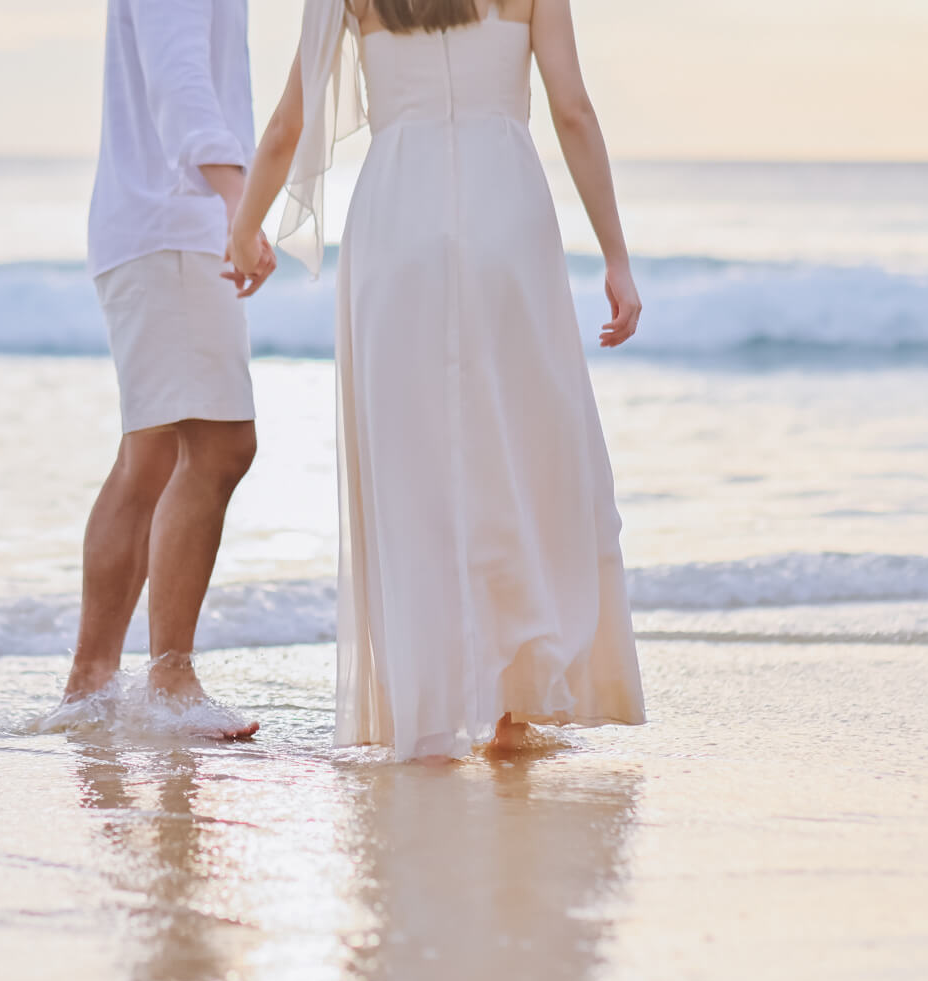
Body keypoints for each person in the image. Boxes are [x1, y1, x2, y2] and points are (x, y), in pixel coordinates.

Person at [225, 0, 646, 761]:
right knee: (521, 455)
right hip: (507, 222)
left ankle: (425, 710)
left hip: (396, 228)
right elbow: (573, 110)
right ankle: (515, 709)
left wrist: (245, 226)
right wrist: (616, 256)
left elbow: (291, 120)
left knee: (411, 474)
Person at [56, 0, 278, 739]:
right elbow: (179, 80)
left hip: (151, 222)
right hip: (173, 221)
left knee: (150, 455)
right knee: (219, 445)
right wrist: (237, 197)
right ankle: (171, 678)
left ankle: (90, 684)